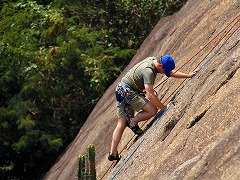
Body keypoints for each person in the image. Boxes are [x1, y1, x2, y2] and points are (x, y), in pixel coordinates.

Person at [108, 55, 197, 161]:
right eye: (164, 70)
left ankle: (113, 153)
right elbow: (150, 95)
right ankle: (132, 122)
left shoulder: (153, 60)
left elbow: (171, 73)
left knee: (121, 123)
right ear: (160, 65)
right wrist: (164, 108)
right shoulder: (149, 71)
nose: (165, 73)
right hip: (128, 92)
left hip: (120, 90)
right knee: (153, 110)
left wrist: (188, 75)